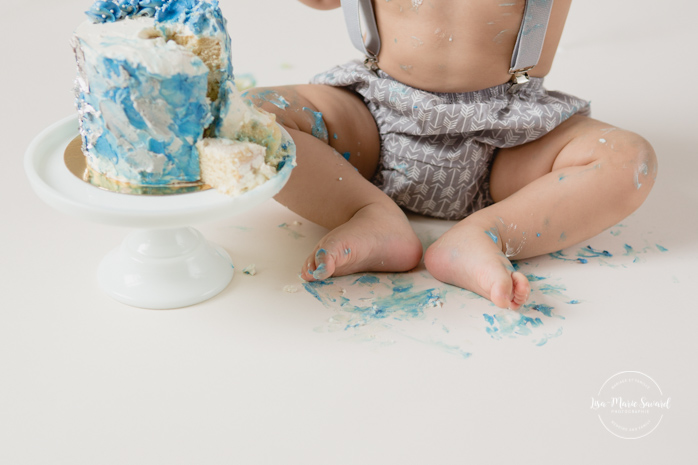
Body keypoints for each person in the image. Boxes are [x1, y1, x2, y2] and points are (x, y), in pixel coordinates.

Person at [246, 0, 657, 310]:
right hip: (375, 115)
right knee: (251, 118)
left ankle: (485, 234)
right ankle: (368, 213)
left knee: (627, 160)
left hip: (510, 136)